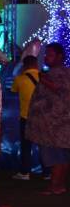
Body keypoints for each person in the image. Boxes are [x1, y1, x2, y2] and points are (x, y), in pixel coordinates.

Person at [26, 43, 70, 195]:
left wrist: (43, 79)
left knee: (56, 157)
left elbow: (58, 88)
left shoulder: (56, 74)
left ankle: (54, 186)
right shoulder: (64, 72)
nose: (46, 57)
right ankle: (59, 185)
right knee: (62, 157)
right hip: (60, 125)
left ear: (60, 57)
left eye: (50, 55)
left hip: (53, 126)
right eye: (46, 54)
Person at [10, 55, 39, 180]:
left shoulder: (20, 79)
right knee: (45, 145)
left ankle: (25, 172)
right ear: (36, 64)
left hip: (26, 116)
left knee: (26, 146)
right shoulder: (44, 77)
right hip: (42, 117)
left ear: (24, 66)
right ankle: (47, 172)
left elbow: (13, 91)